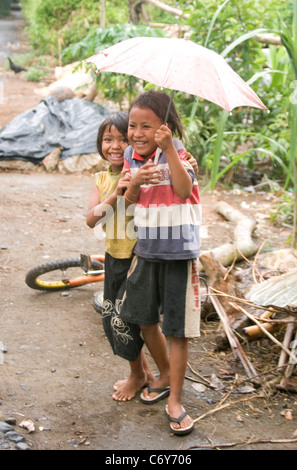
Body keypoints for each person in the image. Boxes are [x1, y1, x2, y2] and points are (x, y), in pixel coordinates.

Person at [120, 90, 201, 435]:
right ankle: (164, 374)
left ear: (164, 128)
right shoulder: (130, 155)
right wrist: (134, 182)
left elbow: (184, 191)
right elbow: (128, 200)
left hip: (178, 254)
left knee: (178, 331)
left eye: (146, 127)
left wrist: (169, 150)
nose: (137, 133)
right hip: (146, 250)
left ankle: (175, 401)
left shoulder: (182, 154)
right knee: (141, 318)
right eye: (132, 126)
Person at [86, 112, 157, 401]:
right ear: (99, 143)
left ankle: (139, 375)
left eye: (122, 139)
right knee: (112, 317)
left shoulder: (140, 171)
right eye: (107, 139)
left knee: (129, 319)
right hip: (113, 255)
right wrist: (114, 193)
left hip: (137, 257)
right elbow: (92, 220)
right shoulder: (101, 178)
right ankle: (142, 372)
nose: (115, 145)